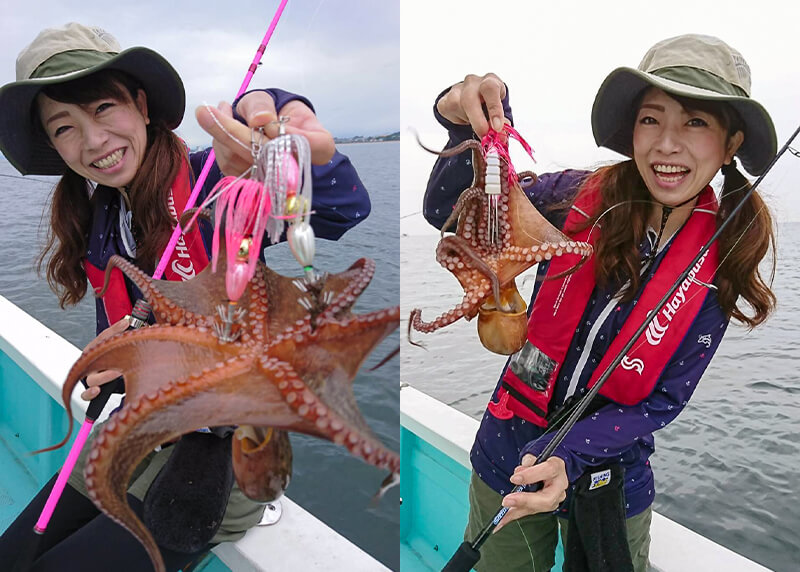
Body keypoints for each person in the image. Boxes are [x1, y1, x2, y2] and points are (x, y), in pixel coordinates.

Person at [0, 22, 370, 571]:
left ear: (143, 105)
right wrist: (114, 364)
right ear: (53, 146)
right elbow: (134, 328)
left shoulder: (215, 181)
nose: (93, 140)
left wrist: (271, 118)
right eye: (65, 127)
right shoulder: (102, 214)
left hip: (223, 446)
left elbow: (344, 205)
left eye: (103, 108)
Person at [424, 34, 777, 571]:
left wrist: (571, 454)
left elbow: (663, 400)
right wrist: (460, 123)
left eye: (696, 123)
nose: (667, 144)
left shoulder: (720, 261)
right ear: (632, 128)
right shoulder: (568, 198)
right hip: (506, 458)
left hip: (612, 483)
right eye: (652, 119)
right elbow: (452, 211)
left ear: (731, 145)